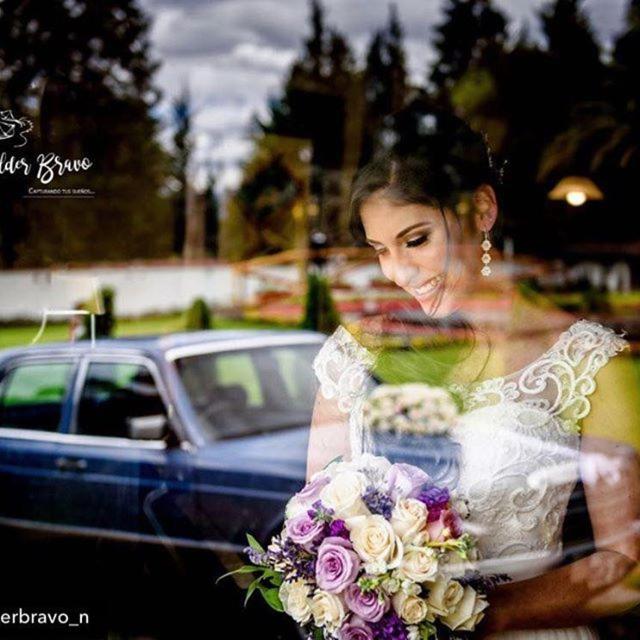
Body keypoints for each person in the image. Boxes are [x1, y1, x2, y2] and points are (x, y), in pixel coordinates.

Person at [306, 113, 640, 638]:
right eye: (381, 251)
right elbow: (319, 527)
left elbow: (629, 566)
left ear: (482, 210)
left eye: (416, 240)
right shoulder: (353, 357)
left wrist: (464, 614)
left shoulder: (590, 362)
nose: (398, 272)